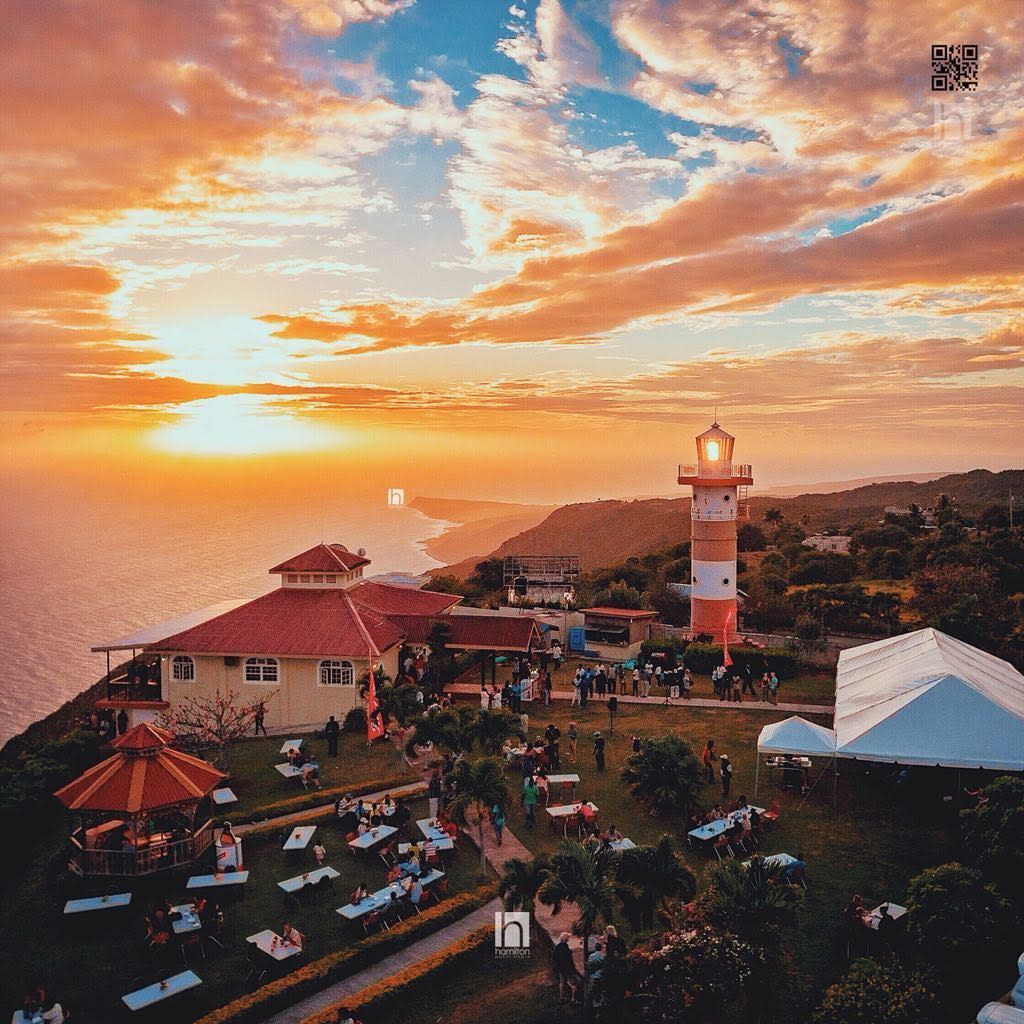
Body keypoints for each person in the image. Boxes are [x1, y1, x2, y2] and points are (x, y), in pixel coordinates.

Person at [553, 931, 580, 1003]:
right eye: (568, 937)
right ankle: (573, 999)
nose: (569, 938)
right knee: (574, 984)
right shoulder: (565, 948)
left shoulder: (558, 946)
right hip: (567, 969)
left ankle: (561, 998)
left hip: (560, 968)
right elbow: (569, 960)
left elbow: (555, 957)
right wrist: (573, 969)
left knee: (562, 982)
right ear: (565, 939)